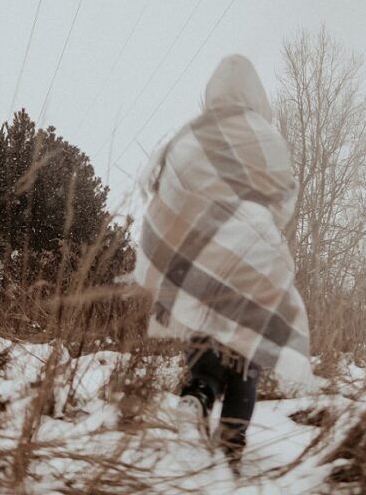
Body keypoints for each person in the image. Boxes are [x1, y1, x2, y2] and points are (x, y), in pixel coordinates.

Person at [133, 54, 311, 473]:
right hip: (251, 263)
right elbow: (282, 204)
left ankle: (197, 393)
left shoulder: (192, 134)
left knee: (206, 338)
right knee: (245, 360)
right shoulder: (267, 138)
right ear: (256, 95)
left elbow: (163, 188)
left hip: (198, 260)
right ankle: (231, 453)